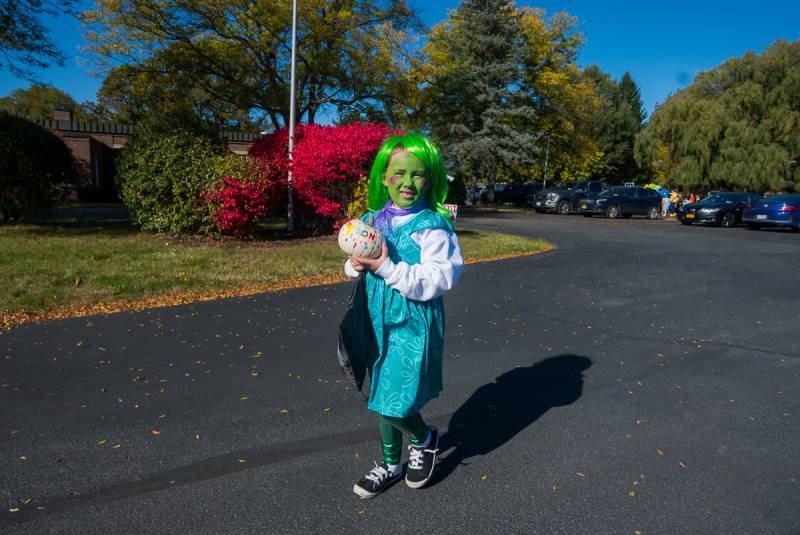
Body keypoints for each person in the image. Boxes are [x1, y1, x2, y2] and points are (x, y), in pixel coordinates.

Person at [345, 133, 464, 498]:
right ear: (383, 176)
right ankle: (391, 462)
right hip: (374, 319)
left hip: (412, 323)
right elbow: (354, 266)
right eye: (398, 174)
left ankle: (423, 438)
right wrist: (354, 266)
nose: (408, 183)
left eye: (418, 174)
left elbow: (439, 278)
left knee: (390, 398)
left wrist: (386, 267)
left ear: (431, 179)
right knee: (382, 391)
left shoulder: (432, 226)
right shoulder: (371, 220)